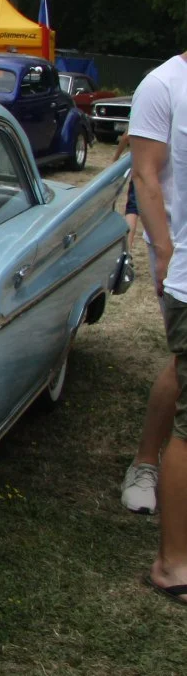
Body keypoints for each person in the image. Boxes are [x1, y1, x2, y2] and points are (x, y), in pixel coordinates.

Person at [125, 49, 187, 606]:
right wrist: (164, 252)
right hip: (185, 262)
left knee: (179, 367)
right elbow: (144, 173)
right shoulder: (163, 85)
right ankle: (147, 463)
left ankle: (148, 459)